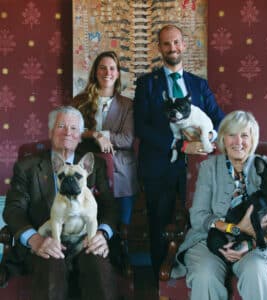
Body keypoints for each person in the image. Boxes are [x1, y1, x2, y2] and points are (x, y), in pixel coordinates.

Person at [171, 110, 267, 300]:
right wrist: (232, 228)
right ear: (223, 138)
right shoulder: (209, 168)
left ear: (253, 139)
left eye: (244, 135)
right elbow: (198, 215)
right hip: (210, 239)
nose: (238, 141)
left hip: (256, 244)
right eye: (232, 135)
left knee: (256, 271)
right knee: (205, 276)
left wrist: (255, 240)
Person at [133, 24, 225, 276]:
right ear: (159, 48)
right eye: (166, 43)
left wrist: (207, 137)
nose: (172, 48)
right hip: (159, 167)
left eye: (176, 42)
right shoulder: (146, 84)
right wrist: (181, 144)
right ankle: (159, 282)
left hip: (199, 169)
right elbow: (141, 127)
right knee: (158, 224)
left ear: (183, 45)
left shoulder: (199, 85)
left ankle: (197, 277)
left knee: (201, 221)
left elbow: (219, 120)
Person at [3, 106, 119, 300]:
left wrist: (102, 233)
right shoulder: (27, 167)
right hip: (45, 242)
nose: (67, 132)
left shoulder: (94, 165)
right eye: (61, 126)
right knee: (51, 269)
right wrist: (35, 240)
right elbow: (13, 210)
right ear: (50, 132)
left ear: (81, 135)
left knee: (98, 267)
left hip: (86, 239)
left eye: (74, 128)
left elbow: (110, 207)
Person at [73, 51, 138, 225]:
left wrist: (104, 136)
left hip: (121, 175)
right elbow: (70, 134)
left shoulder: (128, 105)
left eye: (112, 68)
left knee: (119, 228)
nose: (107, 72)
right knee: (87, 228)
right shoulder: (79, 102)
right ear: (95, 72)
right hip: (86, 173)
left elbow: (127, 140)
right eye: (102, 68)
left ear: (117, 74)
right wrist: (94, 134)